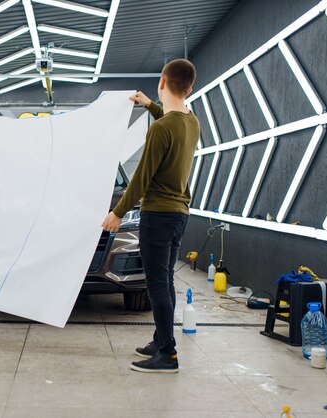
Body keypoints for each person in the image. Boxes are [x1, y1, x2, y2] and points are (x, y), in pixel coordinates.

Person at [102, 59, 199, 372]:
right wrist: (149, 105)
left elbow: (142, 177)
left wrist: (118, 212)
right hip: (179, 215)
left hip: (157, 215)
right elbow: (171, 120)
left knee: (156, 285)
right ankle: (161, 339)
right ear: (190, 88)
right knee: (165, 280)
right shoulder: (191, 121)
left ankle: (167, 355)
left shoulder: (160, 130)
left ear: (162, 82)